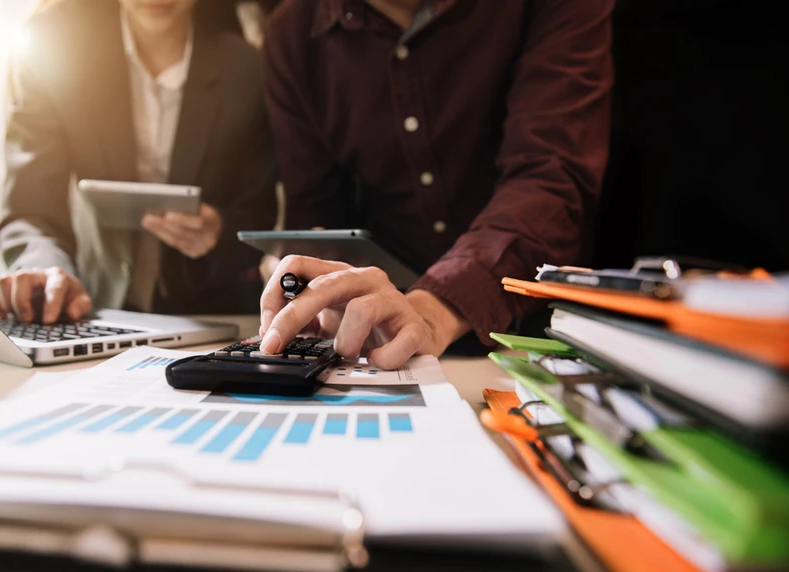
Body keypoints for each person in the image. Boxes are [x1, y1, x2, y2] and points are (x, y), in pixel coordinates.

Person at [259, 0, 613, 369]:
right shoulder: (294, 32)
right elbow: (318, 209)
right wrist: (316, 283)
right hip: (382, 341)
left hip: (544, 339)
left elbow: (550, 178)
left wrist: (429, 311)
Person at [0, 0, 277, 324]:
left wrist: (218, 232)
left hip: (212, 318)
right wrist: (44, 267)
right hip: (93, 310)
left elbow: (260, 217)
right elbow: (29, 207)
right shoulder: (57, 54)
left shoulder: (248, 69)